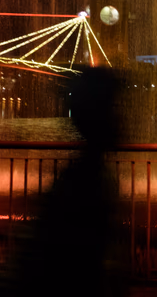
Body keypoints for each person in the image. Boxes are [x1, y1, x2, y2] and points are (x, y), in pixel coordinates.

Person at [1, 67, 129, 296]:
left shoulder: (80, 175)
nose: (122, 118)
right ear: (100, 116)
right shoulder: (86, 181)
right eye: (114, 107)